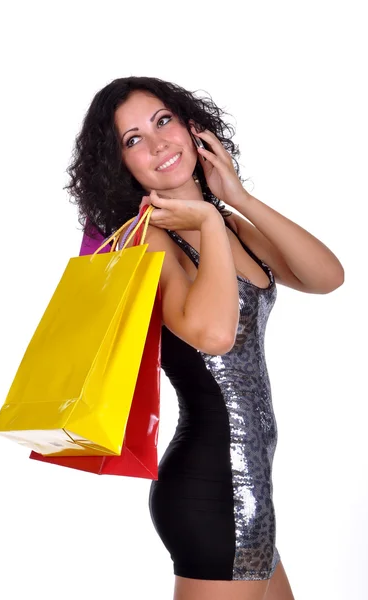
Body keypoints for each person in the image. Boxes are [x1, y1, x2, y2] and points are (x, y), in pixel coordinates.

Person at [64, 76, 344, 600]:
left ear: (193, 128)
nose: (157, 144)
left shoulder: (232, 225)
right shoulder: (149, 241)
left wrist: (234, 199)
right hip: (210, 491)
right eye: (132, 140)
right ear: (120, 166)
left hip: (252, 490)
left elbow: (326, 277)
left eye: (163, 121)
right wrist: (210, 226)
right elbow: (213, 334)